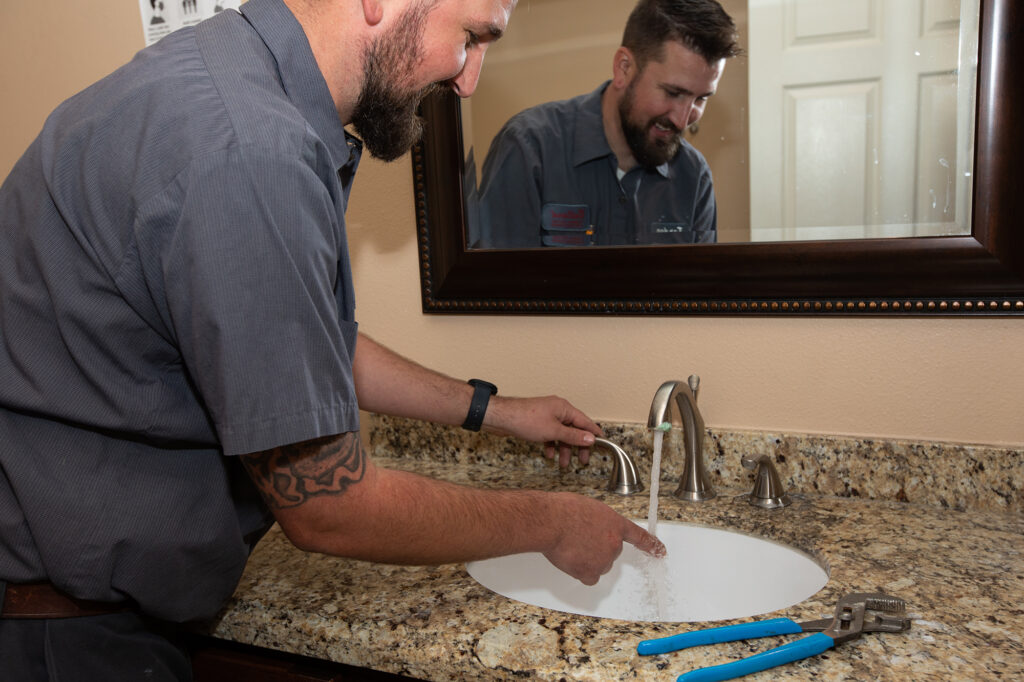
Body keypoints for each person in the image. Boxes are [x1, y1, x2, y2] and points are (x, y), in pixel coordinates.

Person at [0, 0, 664, 679]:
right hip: (62, 640)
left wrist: (492, 410)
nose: (468, 81)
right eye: (471, 37)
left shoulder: (222, 79)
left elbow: (297, 344)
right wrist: (551, 523)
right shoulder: (252, 151)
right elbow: (328, 509)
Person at [475, 0, 740, 248]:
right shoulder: (528, 149)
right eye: (672, 93)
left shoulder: (693, 177)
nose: (683, 120)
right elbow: (495, 291)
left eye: (701, 99)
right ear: (624, 68)